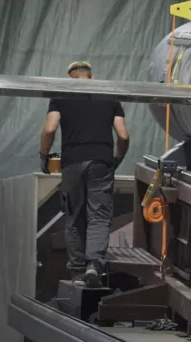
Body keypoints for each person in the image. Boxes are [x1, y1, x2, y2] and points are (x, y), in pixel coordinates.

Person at [40, 61, 130, 287]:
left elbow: (50, 128)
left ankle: (78, 272)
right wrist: (116, 159)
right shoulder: (108, 96)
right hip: (101, 161)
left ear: (69, 79)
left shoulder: (61, 96)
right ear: (92, 77)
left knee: (74, 217)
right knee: (98, 217)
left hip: (71, 163)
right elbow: (123, 136)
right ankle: (94, 266)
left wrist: (44, 155)